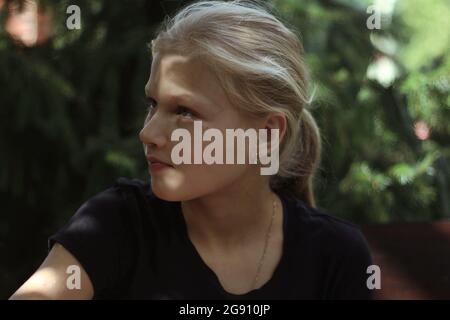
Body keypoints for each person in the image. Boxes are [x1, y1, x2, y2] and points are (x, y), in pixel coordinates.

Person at [10, 0, 373, 300]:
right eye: (153, 104)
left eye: (185, 111)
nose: (148, 133)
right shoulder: (117, 224)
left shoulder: (334, 256)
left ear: (265, 134)